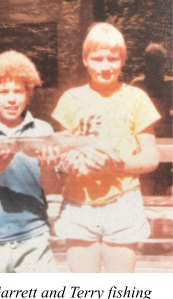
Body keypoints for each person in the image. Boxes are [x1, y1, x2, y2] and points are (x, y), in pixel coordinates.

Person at [52, 23, 161, 273]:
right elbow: (62, 150)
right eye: (97, 58)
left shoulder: (136, 98)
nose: (105, 66)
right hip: (79, 203)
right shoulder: (71, 99)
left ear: (122, 60)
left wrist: (118, 164)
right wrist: (64, 164)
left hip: (122, 202)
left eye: (112, 58)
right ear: (85, 60)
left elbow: (151, 157)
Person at [0, 51, 58, 273]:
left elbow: (53, 188)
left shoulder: (42, 130)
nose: (11, 98)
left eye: (18, 91)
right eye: (3, 91)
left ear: (28, 94)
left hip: (33, 238)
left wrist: (47, 166)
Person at [132, 44, 173, 196]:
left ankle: (160, 215)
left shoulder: (170, 84)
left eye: (159, 60)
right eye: (152, 60)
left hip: (165, 139)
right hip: (143, 138)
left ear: (164, 62)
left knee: (162, 179)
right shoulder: (137, 85)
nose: (155, 65)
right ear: (146, 62)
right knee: (145, 178)